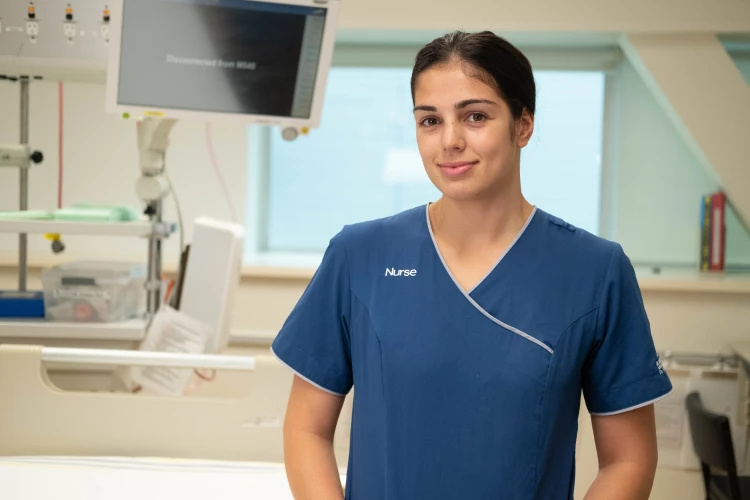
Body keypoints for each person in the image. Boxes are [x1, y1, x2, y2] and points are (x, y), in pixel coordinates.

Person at [271, 30, 672, 500]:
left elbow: (629, 458)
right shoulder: (359, 255)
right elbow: (306, 429)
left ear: (523, 125)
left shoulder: (595, 271)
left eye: (475, 116)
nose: (450, 141)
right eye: (429, 121)